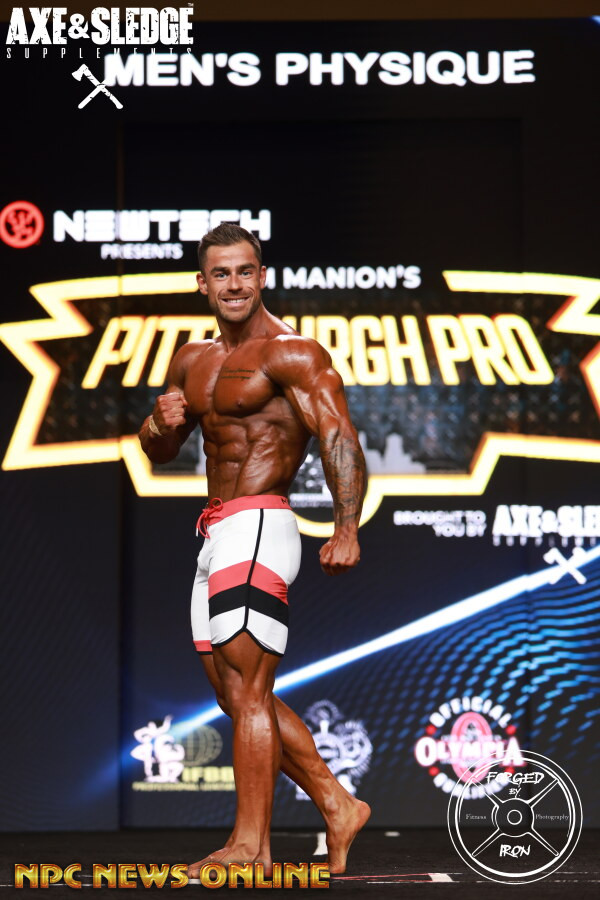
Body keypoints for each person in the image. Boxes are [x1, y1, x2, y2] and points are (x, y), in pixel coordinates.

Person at [139, 223, 370, 876]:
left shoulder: (292, 353)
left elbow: (338, 435)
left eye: (245, 271)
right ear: (203, 283)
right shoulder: (191, 359)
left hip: (262, 522)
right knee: (233, 692)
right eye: (221, 273)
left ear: (262, 277)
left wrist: (346, 527)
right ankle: (337, 803)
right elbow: (161, 448)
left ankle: (251, 847)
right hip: (214, 531)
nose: (234, 284)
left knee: (247, 686)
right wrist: (157, 423)